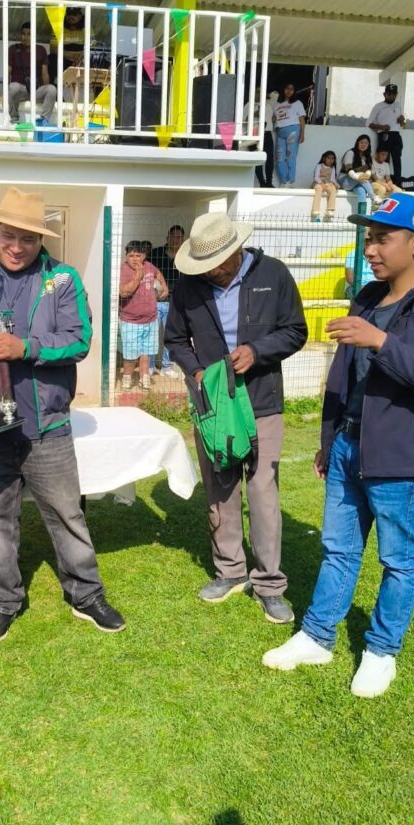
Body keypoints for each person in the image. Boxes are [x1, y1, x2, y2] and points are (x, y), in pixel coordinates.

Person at [263, 194, 414, 698]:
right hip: (349, 445)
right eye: (369, 238)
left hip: (401, 456)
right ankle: (317, 637)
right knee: (339, 549)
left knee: (398, 558)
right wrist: (329, 440)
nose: (370, 248)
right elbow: (342, 375)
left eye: (382, 238)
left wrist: (381, 342)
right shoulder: (367, 296)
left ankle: (381, 651)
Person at [0, 187, 126, 642]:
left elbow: (79, 339)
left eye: (27, 239)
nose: (16, 247)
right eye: (8, 236)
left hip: (46, 425)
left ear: (41, 240)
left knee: (67, 514)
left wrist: (26, 348)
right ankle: (3, 599)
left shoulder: (62, 279)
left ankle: (85, 593)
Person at [165, 213, 308, 623]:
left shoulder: (274, 275)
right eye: (205, 266)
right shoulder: (189, 285)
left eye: (218, 264)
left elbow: (295, 331)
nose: (212, 272)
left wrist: (257, 352)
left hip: (261, 401)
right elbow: (175, 339)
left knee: (262, 491)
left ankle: (269, 584)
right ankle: (230, 571)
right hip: (213, 405)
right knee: (220, 489)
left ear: (235, 250)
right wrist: (197, 372)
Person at [119, 240, 167, 391]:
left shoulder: (149, 266)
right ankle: (127, 378)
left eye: (138, 255)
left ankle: (144, 378)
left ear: (144, 256)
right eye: (131, 255)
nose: (134, 259)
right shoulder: (123, 270)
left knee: (146, 352)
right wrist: (138, 277)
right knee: (130, 354)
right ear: (126, 256)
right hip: (130, 321)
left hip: (151, 319)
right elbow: (123, 292)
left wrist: (164, 287)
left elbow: (158, 273)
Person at [149, 225, 186, 376]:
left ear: (183, 239)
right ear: (167, 237)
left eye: (179, 237)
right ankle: (150, 366)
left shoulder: (185, 256)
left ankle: (167, 366)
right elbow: (148, 274)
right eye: (173, 236)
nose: (175, 240)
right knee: (151, 334)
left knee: (170, 335)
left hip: (175, 303)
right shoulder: (156, 253)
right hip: (155, 301)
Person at [8, 21, 57, 124]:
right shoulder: (13, 49)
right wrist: (4, 92)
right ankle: (14, 119)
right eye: (23, 34)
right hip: (20, 91)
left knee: (52, 89)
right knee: (13, 87)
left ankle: (44, 121)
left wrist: (46, 92)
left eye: (29, 34)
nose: (26, 37)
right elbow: (8, 71)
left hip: (36, 90)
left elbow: (45, 73)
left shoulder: (41, 50)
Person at [368, 83, 406, 183]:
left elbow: (402, 124)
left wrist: (402, 121)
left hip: (396, 135)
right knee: (384, 160)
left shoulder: (398, 105)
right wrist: (382, 127)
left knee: (397, 160)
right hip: (384, 135)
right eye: (389, 94)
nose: (391, 96)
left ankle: (397, 183)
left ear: (396, 94)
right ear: (384, 94)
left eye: (394, 94)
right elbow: (369, 123)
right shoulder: (378, 106)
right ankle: (383, 182)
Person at [272, 83, 305, 186]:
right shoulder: (276, 104)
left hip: (293, 130)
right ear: (283, 89)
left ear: (294, 91)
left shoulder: (297, 103)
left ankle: (290, 182)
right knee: (279, 159)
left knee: (290, 157)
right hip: (280, 132)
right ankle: (284, 181)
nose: (289, 91)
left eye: (292, 89)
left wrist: (302, 133)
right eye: (287, 88)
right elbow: (273, 119)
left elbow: (301, 119)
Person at [47, 6, 86, 84]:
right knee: (51, 58)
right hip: (63, 61)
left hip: (80, 61)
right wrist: (70, 56)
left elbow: (93, 49)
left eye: (74, 14)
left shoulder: (87, 29)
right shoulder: (58, 28)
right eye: (68, 14)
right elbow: (53, 49)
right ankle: (53, 86)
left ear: (80, 16)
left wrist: (79, 59)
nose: (71, 17)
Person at [338, 134, 376, 207]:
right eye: (361, 142)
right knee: (361, 175)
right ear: (357, 143)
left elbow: (369, 170)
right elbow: (349, 169)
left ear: (368, 145)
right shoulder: (350, 153)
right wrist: (358, 177)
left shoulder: (367, 156)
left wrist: (367, 175)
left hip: (356, 182)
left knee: (361, 191)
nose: (363, 145)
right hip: (345, 180)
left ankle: (361, 212)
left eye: (366, 143)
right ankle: (373, 197)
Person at [310, 150, 338, 222]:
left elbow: (332, 179)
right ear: (324, 158)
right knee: (319, 188)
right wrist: (321, 183)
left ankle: (330, 210)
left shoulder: (332, 168)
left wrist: (335, 184)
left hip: (327, 184)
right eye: (328, 158)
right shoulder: (319, 166)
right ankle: (315, 210)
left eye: (332, 158)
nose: (330, 160)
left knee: (333, 189)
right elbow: (316, 177)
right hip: (317, 183)